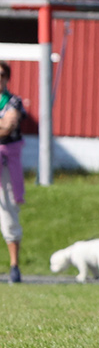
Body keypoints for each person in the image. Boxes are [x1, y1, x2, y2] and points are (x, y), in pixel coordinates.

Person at [0, 64, 24, 283]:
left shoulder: (13, 101)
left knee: (8, 210)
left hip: (6, 161)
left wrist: (5, 124)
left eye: (1, 75)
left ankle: (14, 265)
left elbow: (8, 127)